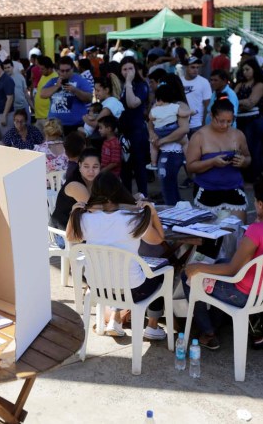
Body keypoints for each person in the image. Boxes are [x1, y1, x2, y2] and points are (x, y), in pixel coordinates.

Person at [182, 177, 263, 349]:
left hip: (242, 295)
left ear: (260, 205)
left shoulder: (256, 231)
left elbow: (232, 270)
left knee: (188, 275)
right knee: (221, 261)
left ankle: (208, 332)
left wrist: (197, 267)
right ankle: (216, 324)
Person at [66, 171, 167, 339]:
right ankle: (152, 326)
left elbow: (70, 237)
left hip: (98, 288)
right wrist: (153, 212)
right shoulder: (133, 219)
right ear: (119, 190)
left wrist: (73, 212)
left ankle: (115, 317)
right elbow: (158, 239)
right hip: (133, 290)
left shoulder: (86, 219)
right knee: (161, 271)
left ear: (95, 193)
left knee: (116, 273)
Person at [186, 99, 251, 221]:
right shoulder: (199, 136)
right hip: (207, 189)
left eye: (229, 121)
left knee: (236, 231)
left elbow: (248, 158)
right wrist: (212, 162)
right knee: (209, 235)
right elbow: (190, 167)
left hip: (233, 188)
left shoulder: (238, 134)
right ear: (211, 115)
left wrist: (243, 161)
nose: (225, 125)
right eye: (221, 121)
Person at [117, 56, 150, 197]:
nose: (128, 72)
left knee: (139, 167)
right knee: (125, 168)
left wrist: (129, 83)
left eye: (130, 68)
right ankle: (127, 199)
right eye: (124, 69)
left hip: (137, 132)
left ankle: (143, 198)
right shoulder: (119, 85)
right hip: (123, 132)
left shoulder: (141, 85)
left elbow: (132, 103)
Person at [50, 148, 101, 231]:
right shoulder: (75, 185)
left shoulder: (98, 181)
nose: (91, 171)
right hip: (63, 232)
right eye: (86, 166)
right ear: (80, 166)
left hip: (82, 227)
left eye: (95, 167)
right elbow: (95, 209)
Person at [40, 56, 93, 135]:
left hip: (75, 125)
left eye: (67, 70)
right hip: (55, 126)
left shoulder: (81, 80)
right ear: (58, 71)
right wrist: (56, 86)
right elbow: (42, 94)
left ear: (72, 69)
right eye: (62, 71)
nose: (64, 73)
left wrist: (75, 90)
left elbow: (89, 98)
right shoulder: (53, 81)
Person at [235, 58, 263, 182]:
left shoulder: (259, 85)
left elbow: (250, 103)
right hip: (241, 120)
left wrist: (239, 103)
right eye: (243, 70)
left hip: (254, 121)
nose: (245, 72)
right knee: (242, 148)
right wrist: (242, 103)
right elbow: (231, 99)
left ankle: (254, 177)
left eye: (248, 69)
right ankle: (245, 175)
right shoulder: (240, 84)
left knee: (254, 148)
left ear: (255, 70)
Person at [146, 83, 190, 171]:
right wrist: (191, 112)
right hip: (172, 129)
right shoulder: (176, 106)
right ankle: (187, 159)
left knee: (153, 145)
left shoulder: (155, 108)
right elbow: (183, 115)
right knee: (185, 142)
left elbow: (150, 118)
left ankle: (153, 163)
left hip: (159, 132)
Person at [181, 56, 212, 137]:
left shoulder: (204, 82)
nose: (195, 70)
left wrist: (204, 124)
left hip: (197, 125)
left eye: (197, 67)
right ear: (186, 67)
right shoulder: (179, 81)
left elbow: (207, 106)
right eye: (192, 67)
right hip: (181, 125)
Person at [0, 59, 15, 139]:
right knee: (0, 139)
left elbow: (10, 98)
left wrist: (4, 115)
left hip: (5, 115)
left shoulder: (7, 80)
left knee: (7, 140)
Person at [34, 56, 58, 133]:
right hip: (39, 116)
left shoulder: (55, 78)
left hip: (47, 117)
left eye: (42, 69)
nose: (40, 71)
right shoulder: (44, 75)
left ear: (50, 68)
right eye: (40, 68)